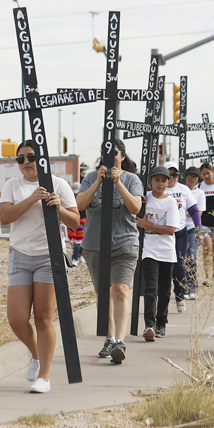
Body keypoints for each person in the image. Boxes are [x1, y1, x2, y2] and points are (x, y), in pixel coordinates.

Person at [0, 140, 79, 393]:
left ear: (42, 158)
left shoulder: (59, 184)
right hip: (20, 255)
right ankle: (35, 355)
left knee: (44, 317)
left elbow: (75, 222)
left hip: (49, 256)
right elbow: (4, 217)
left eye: (30, 157)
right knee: (16, 318)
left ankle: (43, 376)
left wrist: (59, 209)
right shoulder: (12, 185)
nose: (25, 163)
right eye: (20, 159)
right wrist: (32, 199)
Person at [78, 139, 143, 364]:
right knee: (103, 293)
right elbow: (79, 205)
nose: (110, 156)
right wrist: (97, 181)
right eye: (106, 153)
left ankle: (120, 342)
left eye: (114, 153)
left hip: (124, 244)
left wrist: (118, 183)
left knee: (120, 290)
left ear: (122, 156)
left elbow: (135, 208)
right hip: (95, 245)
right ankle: (109, 337)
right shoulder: (89, 177)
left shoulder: (131, 179)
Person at [136, 166, 179, 341]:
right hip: (149, 250)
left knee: (164, 290)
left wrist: (148, 226)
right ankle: (149, 324)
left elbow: (170, 230)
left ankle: (161, 323)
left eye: (164, 180)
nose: (160, 184)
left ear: (168, 182)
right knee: (150, 288)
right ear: (150, 181)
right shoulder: (145, 199)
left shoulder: (170, 203)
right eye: (157, 180)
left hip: (167, 251)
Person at [162, 162, 202, 313]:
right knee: (165, 268)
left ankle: (180, 296)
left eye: (175, 175)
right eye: (169, 174)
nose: (172, 178)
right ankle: (163, 299)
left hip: (180, 233)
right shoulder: (159, 188)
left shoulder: (184, 189)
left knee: (179, 267)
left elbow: (194, 210)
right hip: (162, 234)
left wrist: (199, 231)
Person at [183, 167, 205, 299]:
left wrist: (199, 232)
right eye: (190, 176)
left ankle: (192, 287)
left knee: (191, 256)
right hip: (179, 227)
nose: (192, 179)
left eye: (195, 176)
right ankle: (184, 287)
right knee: (182, 259)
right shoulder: (181, 190)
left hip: (192, 229)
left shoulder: (200, 194)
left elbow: (199, 212)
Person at [67, 181, 86, 267]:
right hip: (73, 222)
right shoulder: (69, 199)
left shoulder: (83, 198)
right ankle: (78, 256)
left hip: (82, 222)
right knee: (73, 241)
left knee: (79, 241)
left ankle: (76, 257)